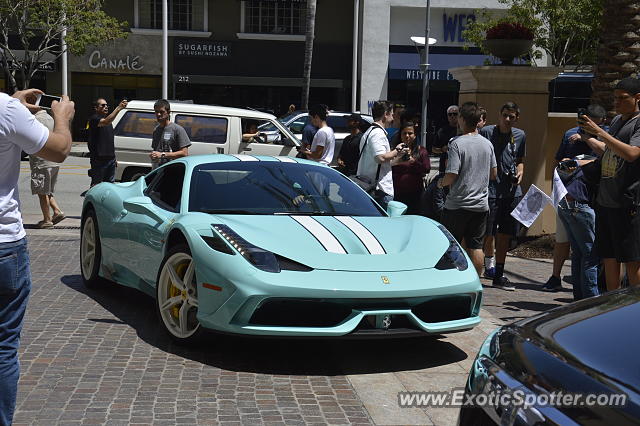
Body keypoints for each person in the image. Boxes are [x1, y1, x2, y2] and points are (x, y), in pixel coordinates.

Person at [0, 88, 74, 426]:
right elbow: (59, 149)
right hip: (3, 245)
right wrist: (61, 117)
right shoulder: (4, 109)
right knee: (2, 348)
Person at [580, 77, 640, 289]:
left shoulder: (638, 123)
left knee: (632, 260)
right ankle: (610, 305)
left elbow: (632, 153)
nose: (617, 103)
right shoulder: (616, 121)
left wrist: (600, 132)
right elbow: (610, 152)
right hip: (606, 202)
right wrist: (588, 138)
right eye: (615, 99)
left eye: (622, 99)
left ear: (637, 98)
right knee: (609, 257)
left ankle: (634, 309)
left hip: (627, 203)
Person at [543, 104, 607, 291]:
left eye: (590, 124)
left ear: (601, 122)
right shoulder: (570, 134)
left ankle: (581, 297)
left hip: (593, 199)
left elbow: (606, 154)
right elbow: (560, 164)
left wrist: (587, 138)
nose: (585, 126)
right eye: (583, 123)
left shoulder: (605, 135)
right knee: (585, 252)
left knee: (582, 252)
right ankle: (588, 300)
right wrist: (570, 163)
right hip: (572, 201)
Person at [438, 102, 497, 275]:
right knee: (476, 247)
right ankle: (476, 282)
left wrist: (441, 183)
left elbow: (451, 174)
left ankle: (453, 281)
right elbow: (494, 173)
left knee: (451, 246)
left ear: (462, 119)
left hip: (457, 204)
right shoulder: (488, 144)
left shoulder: (457, 144)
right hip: (480, 205)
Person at [480, 102, 526, 291]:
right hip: (490, 191)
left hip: (510, 192)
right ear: (499, 115)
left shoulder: (520, 135)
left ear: (516, 118)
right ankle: (487, 266)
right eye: (505, 115)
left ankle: (499, 273)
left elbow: (520, 160)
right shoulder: (487, 133)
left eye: (512, 117)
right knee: (487, 233)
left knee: (505, 234)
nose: (507, 120)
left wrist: (520, 173)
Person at [556, 157, 600, 300]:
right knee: (590, 255)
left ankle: (580, 298)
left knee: (579, 253)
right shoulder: (597, 158)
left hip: (565, 203)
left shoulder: (581, 160)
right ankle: (590, 301)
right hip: (577, 205)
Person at [356, 101, 408, 209]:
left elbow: (380, 162)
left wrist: (398, 159)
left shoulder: (370, 132)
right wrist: (396, 150)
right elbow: (380, 157)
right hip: (379, 191)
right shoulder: (377, 133)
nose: (393, 118)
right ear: (385, 114)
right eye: (392, 114)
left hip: (371, 188)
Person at [29, 110, 65, 228]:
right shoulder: (51, 118)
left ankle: (47, 220)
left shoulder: (33, 119)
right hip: (53, 160)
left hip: (41, 161)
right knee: (47, 190)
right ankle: (57, 211)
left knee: (41, 191)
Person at [391, 121, 430, 214]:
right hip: (397, 194)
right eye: (404, 133)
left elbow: (427, 168)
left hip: (415, 195)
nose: (407, 136)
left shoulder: (421, 151)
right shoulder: (394, 151)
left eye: (410, 133)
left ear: (415, 135)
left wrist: (413, 161)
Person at [88, 97, 128, 186]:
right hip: (99, 160)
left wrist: (114, 157)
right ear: (96, 108)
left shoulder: (109, 123)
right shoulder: (94, 119)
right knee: (97, 186)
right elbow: (105, 121)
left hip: (111, 160)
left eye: (106, 105)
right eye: (103, 105)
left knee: (109, 186)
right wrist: (119, 108)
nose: (106, 107)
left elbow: (109, 141)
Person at [149, 99, 191, 169]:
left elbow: (184, 153)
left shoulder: (177, 129)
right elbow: (156, 151)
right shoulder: (156, 130)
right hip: (158, 171)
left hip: (173, 170)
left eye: (161, 112)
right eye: (156, 112)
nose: (158, 114)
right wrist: (153, 155)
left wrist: (162, 155)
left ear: (168, 112)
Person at [433, 105, 460, 173]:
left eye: (455, 114)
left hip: (460, 166)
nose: (452, 116)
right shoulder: (441, 131)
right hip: (444, 167)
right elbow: (433, 149)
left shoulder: (462, 130)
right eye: (450, 114)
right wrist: (442, 150)